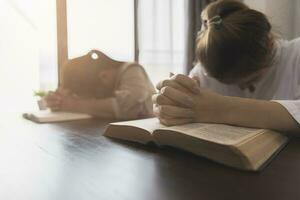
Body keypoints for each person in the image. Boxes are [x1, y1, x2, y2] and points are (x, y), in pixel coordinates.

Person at [152, 0, 300, 134]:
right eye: (229, 84)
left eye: (251, 78)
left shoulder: (296, 55)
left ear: (270, 44)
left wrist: (219, 108)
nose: (241, 88)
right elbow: (183, 105)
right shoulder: (205, 71)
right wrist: (171, 105)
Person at [45, 50, 156, 120]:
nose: (90, 98)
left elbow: (125, 107)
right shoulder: (103, 81)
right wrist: (55, 101)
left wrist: (72, 105)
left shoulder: (132, 70)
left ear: (103, 76)